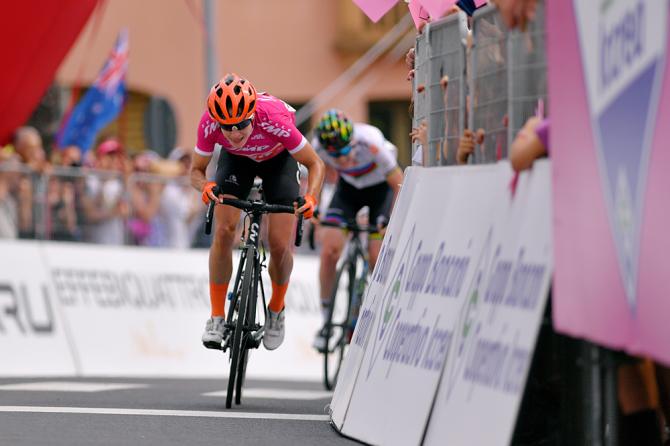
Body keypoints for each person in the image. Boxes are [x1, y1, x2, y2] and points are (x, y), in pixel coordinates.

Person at [191, 73, 325, 351]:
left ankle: (276, 308)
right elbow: (196, 170)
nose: (235, 133)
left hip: (278, 162)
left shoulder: (274, 118)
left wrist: (311, 197)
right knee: (225, 230)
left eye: (241, 124)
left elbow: (315, 164)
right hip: (237, 163)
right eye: (226, 127)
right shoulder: (209, 124)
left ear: (253, 115)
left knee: (278, 244)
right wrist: (204, 186)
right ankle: (217, 317)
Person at [310, 109, 404, 351]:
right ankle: (326, 318)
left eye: (343, 151)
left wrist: (392, 219)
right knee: (330, 250)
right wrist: (315, 206)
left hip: (380, 190)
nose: (341, 159)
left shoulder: (371, 143)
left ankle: (383, 313)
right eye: (334, 155)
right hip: (348, 190)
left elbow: (399, 184)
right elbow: (315, 173)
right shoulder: (319, 146)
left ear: (352, 141)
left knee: (376, 254)